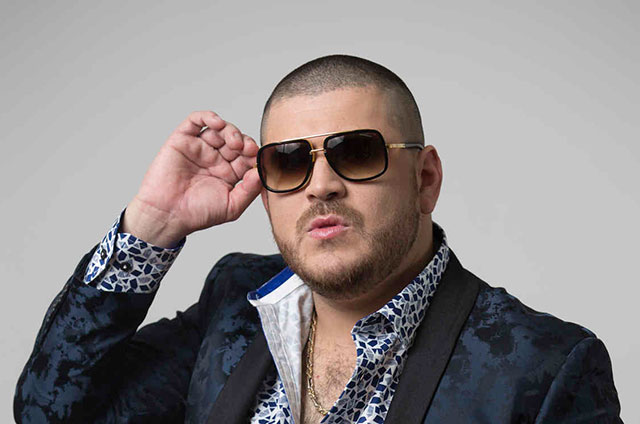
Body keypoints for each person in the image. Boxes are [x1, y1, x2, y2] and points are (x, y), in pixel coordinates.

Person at [14, 55, 622, 424]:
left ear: (425, 179)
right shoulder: (234, 304)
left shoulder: (546, 368)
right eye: (288, 162)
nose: (321, 185)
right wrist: (150, 227)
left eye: (356, 153)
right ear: (266, 190)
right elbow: (52, 411)